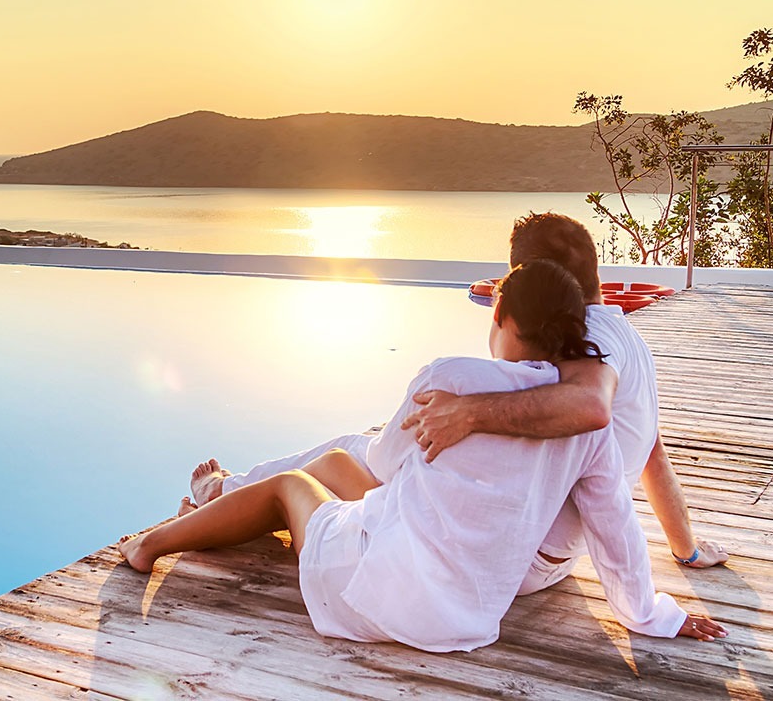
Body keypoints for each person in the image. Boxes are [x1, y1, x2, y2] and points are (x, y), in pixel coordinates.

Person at [120, 261, 725, 652]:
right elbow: (616, 530)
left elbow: (383, 462)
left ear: (503, 319)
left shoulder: (453, 378)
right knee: (337, 482)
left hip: (370, 591)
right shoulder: (587, 424)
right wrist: (652, 615)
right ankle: (219, 502)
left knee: (296, 486)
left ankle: (150, 544)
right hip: (464, 620)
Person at [196, 213, 727, 594]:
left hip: (511, 557)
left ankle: (222, 495)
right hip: (549, 556)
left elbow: (591, 407)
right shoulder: (627, 339)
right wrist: (687, 548)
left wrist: (468, 412)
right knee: (380, 455)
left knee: (352, 454)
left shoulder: (591, 339)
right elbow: (650, 449)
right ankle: (234, 496)